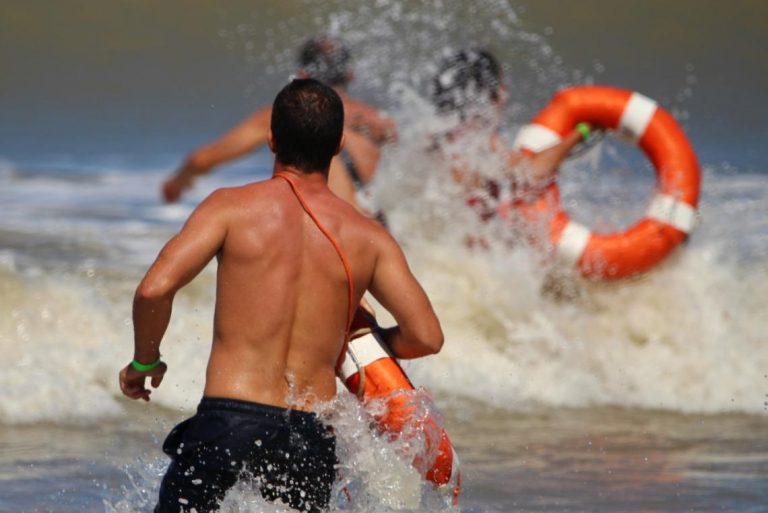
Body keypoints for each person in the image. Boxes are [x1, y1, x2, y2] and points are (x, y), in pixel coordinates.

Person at [119, 78, 443, 513]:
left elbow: (155, 289)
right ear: (338, 145)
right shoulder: (370, 237)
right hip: (309, 435)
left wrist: (145, 360)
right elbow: (426, 336)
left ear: (271, 139)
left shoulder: (230, 207)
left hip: (229, 419)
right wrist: (369, 343)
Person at [162, 36, 395, 221]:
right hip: (376, 232)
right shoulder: (379, 123)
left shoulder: (289, 112)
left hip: (335, 234)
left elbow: (202, 159)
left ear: (303, 75)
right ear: (350, 75)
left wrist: (178, 182)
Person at [429, 48, 589, 225]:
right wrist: (580, 133)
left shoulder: (435, 139)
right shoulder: (481, 141)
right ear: (496, 93)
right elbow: (531, 175)